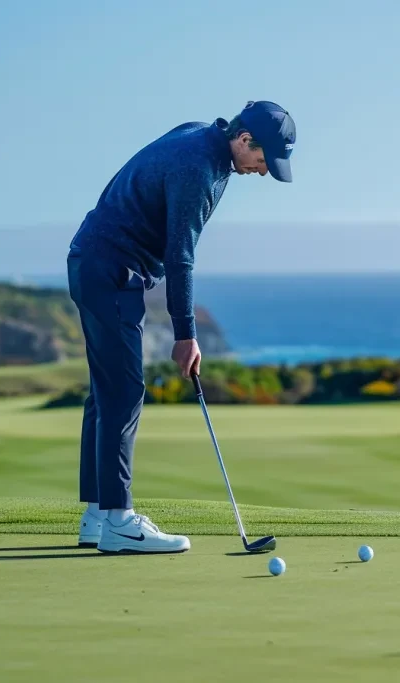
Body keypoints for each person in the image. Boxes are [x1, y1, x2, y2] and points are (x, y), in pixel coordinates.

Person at [65, 101, 296, 554]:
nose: (264, 171)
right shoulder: (199, 170)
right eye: (264, 160)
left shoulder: (199, 133)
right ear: (244, 140)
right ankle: (119, 522)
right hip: (111, 270)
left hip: (93, 261)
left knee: (107, 390)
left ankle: (97, 514)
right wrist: (185, 334)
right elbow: (180, 256)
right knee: (125, 391)